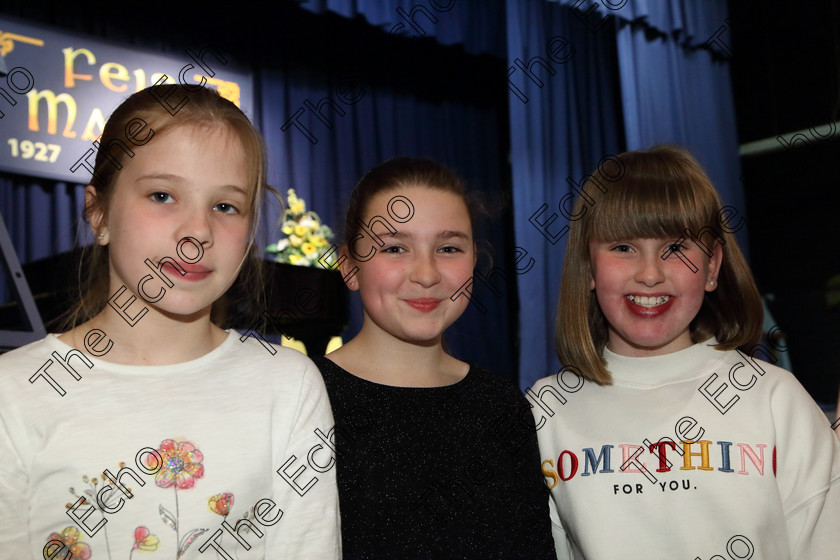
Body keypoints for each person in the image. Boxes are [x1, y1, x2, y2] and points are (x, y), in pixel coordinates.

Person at [0, 84, 340, 558]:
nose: (198, 231)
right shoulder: (13, 392)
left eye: (226, 206)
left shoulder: (288, 385)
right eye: (162, 195)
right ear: (98, 212)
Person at [534, 145, 840, 559]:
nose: (649, 274)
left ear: (712, 267)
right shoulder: (546, 410)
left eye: (676, 248)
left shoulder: (775, 399)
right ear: (588, 267)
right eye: (623, 247)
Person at [313, 157, 556, 559]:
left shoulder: (501, 407)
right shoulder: (304, 397)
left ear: (473, 262)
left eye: (448, 248)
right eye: (394, 247)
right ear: (349, 267)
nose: (426, 273)